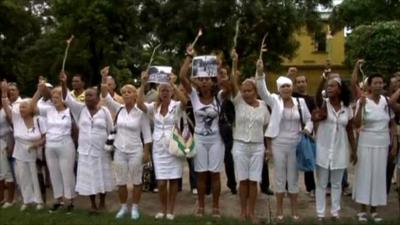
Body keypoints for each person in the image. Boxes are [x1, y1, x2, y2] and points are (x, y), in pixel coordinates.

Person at [255, 60, 313, 221]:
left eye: (288, 86)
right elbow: (262, 90)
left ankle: (294, 210)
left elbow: (310, 119)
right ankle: (279, 209)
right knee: (280, 177)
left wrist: (307, 129)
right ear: (279, 90)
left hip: (296, 144)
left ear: (292, 87)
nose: (286, 89)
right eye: (283, 87)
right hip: (279, 144)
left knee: (293, 178)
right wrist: (260, 73)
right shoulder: (275, 101)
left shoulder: (300, 103)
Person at [100, 66, 152, 220]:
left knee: (136, 181)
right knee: (121, 181)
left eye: (129, 92)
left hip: (136, 150)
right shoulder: (119, 108)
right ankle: (123, 207)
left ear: (135, 95)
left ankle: (135, 207)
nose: (126, 94)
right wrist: (104, 78)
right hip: (119, 151)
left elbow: (147, 134)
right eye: (123, 92)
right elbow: (105, 96)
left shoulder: (141, 112)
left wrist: (146, 152)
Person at [180, 46, 225, 217]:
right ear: (198, 81)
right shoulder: (193, 96)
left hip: (216, 141)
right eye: (201, 79)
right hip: (199, 140)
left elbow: (228, 83)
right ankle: (200, 206)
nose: (205, 82)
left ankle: (215, 206)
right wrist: (189, 57)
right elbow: (183, 76)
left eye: (208, 79)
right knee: (200, 175)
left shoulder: (219, 97)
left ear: (213, 81)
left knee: (214, 174)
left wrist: (219, 67)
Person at [60, 72, 115, 213]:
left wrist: (110, 147)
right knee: (89, 178)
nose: (87, 98)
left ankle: (102, 202)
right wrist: (63, 82)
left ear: (97, 98)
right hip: (85, 151)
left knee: (102, 176)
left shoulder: (104, 112)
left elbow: (111, 130)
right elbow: (66, 99)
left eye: (91, 95)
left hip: (101, 151)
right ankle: (93, 204)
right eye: (86, 96)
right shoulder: (80, 110)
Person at [137, 71, 188, 220]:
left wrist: (172, 83)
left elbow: (185, 102)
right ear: (159, 92)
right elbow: (139, 104)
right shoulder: (154, 107)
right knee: (160, 182)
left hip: (173, 147)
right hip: (159, 149)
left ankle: (171, 211)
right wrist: (143, 83)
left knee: (173, 180)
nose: (165, 92)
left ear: (171, 92)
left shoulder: (176, 106)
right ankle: (162, 209)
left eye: (167, 90)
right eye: (162, 90)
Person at [229, 50, 270, 223]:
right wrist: (234, 63)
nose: (246, 93)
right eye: (244, 90)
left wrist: (269, 148)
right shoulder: (238, 102)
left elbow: (267, 128)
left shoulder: (263, 106)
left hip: (257, 147)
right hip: (240, 146)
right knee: (243, 181)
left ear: (255, 91)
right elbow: (232, 83)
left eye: (249, 90)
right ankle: (243, 211)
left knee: (254, 181)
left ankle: (252, 212)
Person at [353, 73, 398, 222]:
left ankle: (374, 210)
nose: (379, 85)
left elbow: (391, 124)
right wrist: (362, 106)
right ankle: (362, 210)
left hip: (383, 143)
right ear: (369, 85)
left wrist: (394, 143)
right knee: (365, 174)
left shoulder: (386, 101)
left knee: (378, 175)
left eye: (381, 83)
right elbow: (357, 123)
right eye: (375, 83)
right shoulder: (362, 100)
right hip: (366, 142)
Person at [312, 76, 357, 220]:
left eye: (332, 86)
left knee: (337, 183)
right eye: (327, 86)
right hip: (323, 148)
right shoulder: (324, 104)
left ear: (340, 89)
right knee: (322, 183)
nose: (329, 88)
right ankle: (320, 214)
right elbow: (317, 96)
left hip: (340, 149)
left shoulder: (347, 108)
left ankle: (335, 212)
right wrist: (322, 80)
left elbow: (350, 129)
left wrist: (354, 150)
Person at [31, 82, 76, 213]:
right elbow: (32, 108)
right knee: (54, 174)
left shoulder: (70, 111)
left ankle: (70, 201)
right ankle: (58, 200)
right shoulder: (48, 110)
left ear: (64, 99)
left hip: (65, 145)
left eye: (57, 97)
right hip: (50, 146)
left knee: (67, 174)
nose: (54, 100)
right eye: (53, 97)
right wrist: (38, 92)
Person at [1, 81, 45, 211]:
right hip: (20, 150)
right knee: (22, 176)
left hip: (34, 150)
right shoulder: (16, 118)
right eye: (20, 108)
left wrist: (36, 144)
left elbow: (45, 136)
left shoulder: (38, 119)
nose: (21, 109)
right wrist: (4, 93)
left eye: (24, 107)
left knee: (34, 176)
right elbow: (6, 107)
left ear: (30, 108)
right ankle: (27, 200)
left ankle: (39, 201)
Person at [292, 73, 317, 197]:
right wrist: (290, 76)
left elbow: (313, 117)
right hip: (293, 133)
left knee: (308, 160)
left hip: (307, 133)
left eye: (303, 81)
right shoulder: (292, 96)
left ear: (306, 83)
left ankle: (311, 188)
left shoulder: (311, 99)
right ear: (295, 85)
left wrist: (311, 131)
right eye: (298, 82)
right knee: (291, 162)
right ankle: (289, 187)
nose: (301, 84)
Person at [0, 86, 15, 209]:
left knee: (7, 172)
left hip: (5, 142)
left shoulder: (7, 109)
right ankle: (1, 198)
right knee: (0, 173)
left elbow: (13, 127)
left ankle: (10, 199)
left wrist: (10, 145)